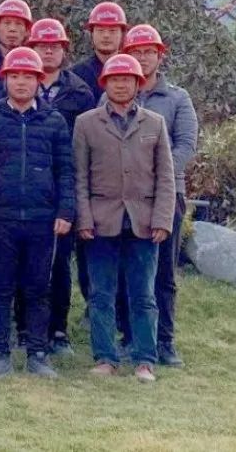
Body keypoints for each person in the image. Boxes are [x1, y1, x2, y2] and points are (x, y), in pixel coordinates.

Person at [0, 48, 74, 380]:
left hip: (43, 219)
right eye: (14, 75)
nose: (20, 82)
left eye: (28, 76)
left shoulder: (54, 122)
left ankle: (37, 353)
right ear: (4, 79)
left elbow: (66, 171)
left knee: (38, 288)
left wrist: (66, 210)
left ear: (38, 81)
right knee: (0, 288)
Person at [74, 54, 175, 383]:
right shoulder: (86, 123)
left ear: (138, 84)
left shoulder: (154, 123)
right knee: (101, 295)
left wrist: (162, 219)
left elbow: (166, 177)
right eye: (114, 79)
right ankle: (105, 357)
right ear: (105, 83)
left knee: (143, 295)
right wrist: (83, 219)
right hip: (101, 221)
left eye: (127, 79)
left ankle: (145, 359)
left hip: (143, 222)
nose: (120, 84)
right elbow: (79, 177)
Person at [14, 18, 95, 357]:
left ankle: (58, 330)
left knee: (59, 263)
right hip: (24, 189)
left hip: (62, 185)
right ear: (31, 49)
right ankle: (23, 329)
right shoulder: (18, 86)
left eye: (54, 46)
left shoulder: (81, 92)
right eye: (41, 46)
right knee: (24, 262)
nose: (48, 51)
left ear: (64, 50)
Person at [118, 24, 198, 368]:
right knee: (126, 271)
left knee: (163, 272)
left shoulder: (177, 99)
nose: (143, 57)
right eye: (136, 52)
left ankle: (164, 341)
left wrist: (157, 178)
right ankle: (129, 337)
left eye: (149, 51)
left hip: (167, 196)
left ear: (159, 56)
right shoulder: (117, 93)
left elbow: (186, 145)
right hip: (124, 199)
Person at [71, 1, 127, 101]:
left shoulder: (131, 71)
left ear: (122, 34)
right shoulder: (76, 75)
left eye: (112, 31)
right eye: (100, 30)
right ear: (92, 34)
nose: (106, 36)